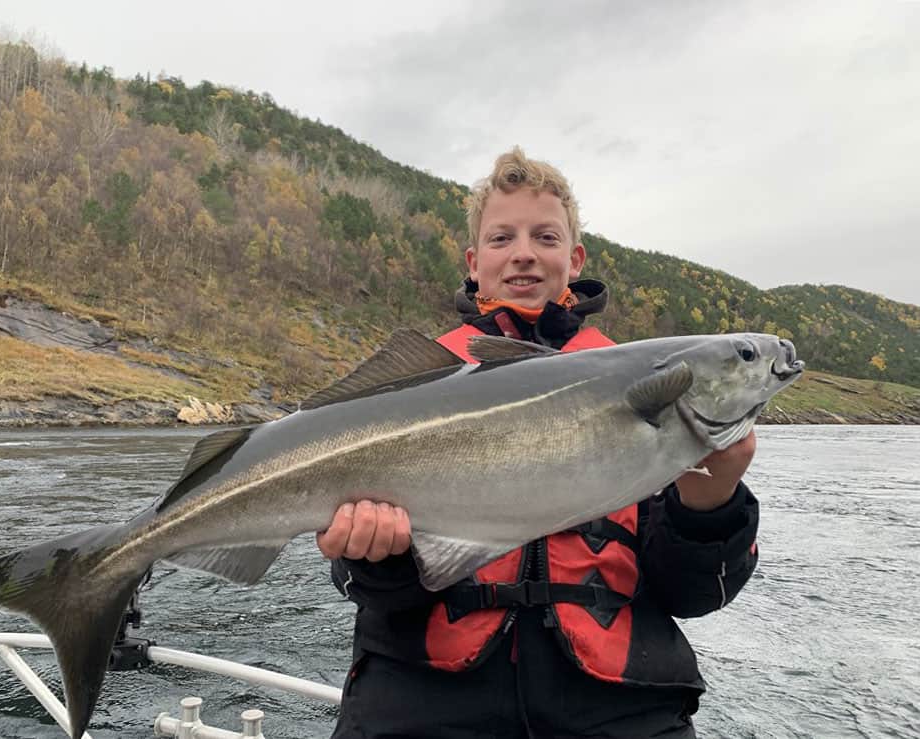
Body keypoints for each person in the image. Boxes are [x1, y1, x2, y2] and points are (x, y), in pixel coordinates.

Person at [318, 148, 759, 738]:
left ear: (573, 259)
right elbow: (373, 595)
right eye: (502, 238)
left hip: (616, 712)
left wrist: (714, 498)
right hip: (421, 705)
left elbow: (695, 594)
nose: (523, 252)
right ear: (474, 263)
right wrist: (375, 556)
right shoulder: (409, 390)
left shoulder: (652, 394)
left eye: (545, 236)